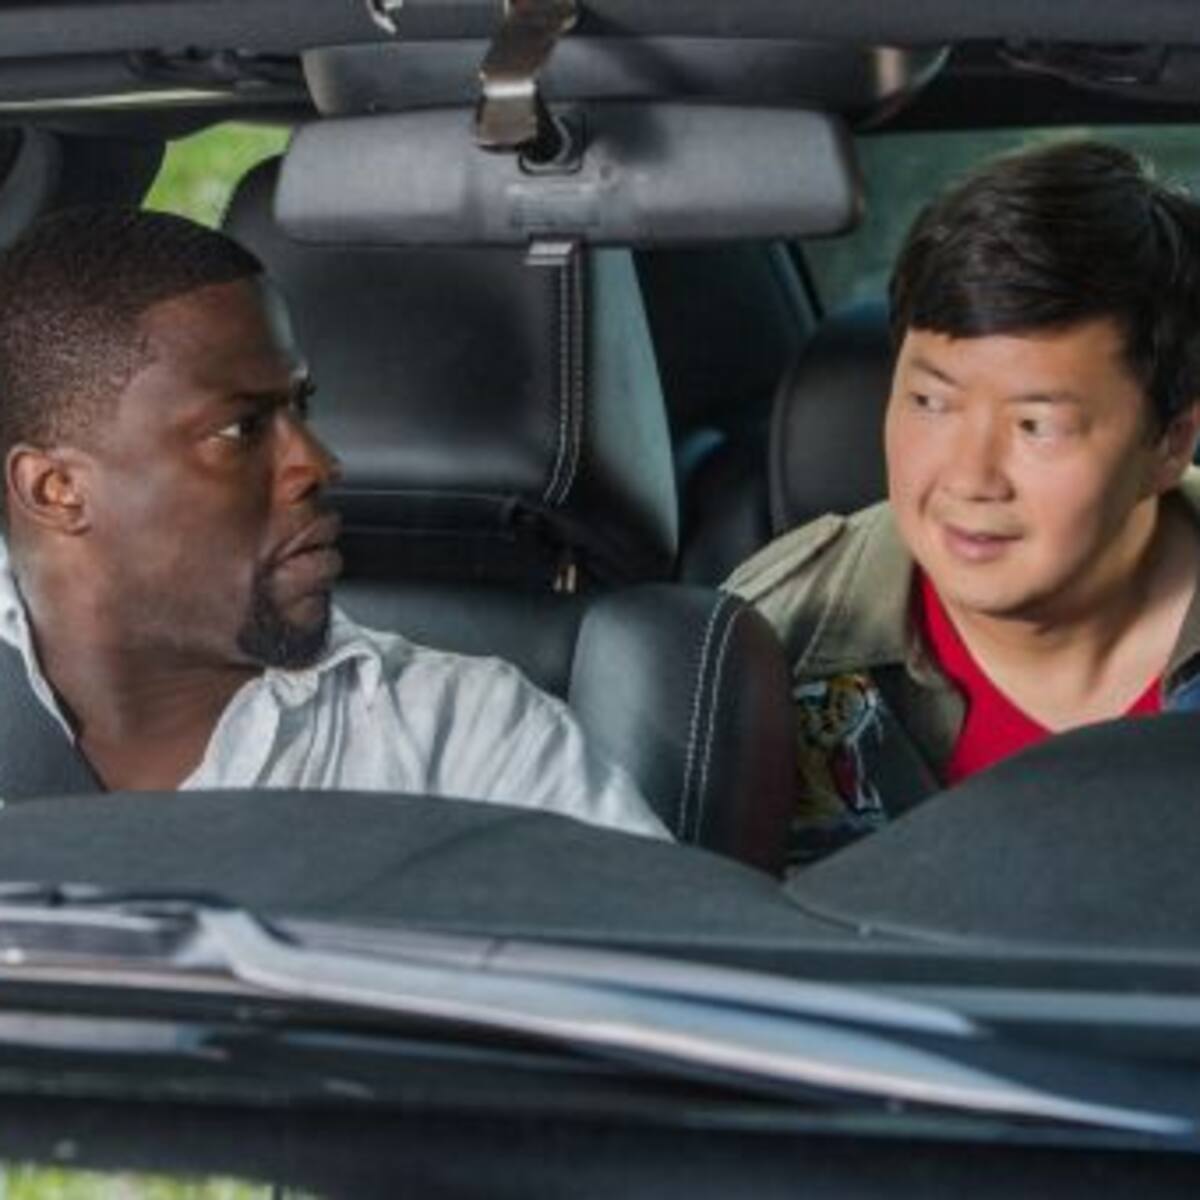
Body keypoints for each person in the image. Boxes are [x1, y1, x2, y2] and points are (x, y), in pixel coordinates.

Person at [0, 205, 668, 840]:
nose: (318, 463)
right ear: (56, 490)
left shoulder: (468, 746)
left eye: (302, 408)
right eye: (240, 428)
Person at [725, 140, 1200, 867]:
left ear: (1170, 443)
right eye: (931, 403)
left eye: (1036, 425)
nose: (971, 478)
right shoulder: (764, 646)